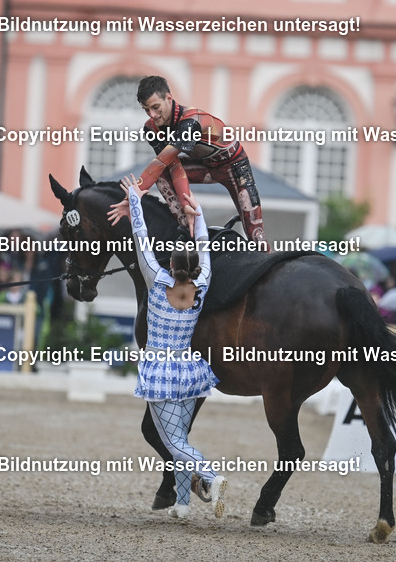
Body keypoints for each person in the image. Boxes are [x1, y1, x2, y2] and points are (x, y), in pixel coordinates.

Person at [116, 173, 228, 519]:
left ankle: (211, 477)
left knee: (174, 442)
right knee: (179, 437)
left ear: (171, 265)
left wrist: (136, 198)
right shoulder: (202, 284)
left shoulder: (157, 280)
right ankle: (182, 503)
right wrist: (199, 217)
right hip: (189, 369)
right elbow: (205, 250)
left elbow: (140, 239)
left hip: (161, 370)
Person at [129, 75, 266, 246]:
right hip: (206, 166)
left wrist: (134, 195)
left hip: (235, 167)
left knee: (256, 235)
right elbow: (172, 166)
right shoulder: (151, 128)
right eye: (146, 110)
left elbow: (161, 161)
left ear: (169, 99)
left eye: (156, 107)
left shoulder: (191, 121)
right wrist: (185, 205)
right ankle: (189, 230)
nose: (152, 115)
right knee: (163, 174)